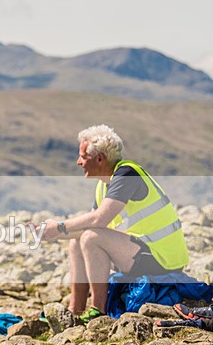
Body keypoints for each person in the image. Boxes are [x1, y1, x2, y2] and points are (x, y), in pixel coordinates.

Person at [37, 124, 189, 323]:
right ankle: (74, 311)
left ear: (100, 158)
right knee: (77, 241)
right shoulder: (104, 185)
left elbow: (98, 220)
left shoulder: (127, 174)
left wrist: (59, 226)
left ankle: (98, 310)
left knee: (91, 238)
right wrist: (52, 234)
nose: (78, 162)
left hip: (163, 259)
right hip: (141, 252)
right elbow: (88, 225)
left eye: (83, 157)